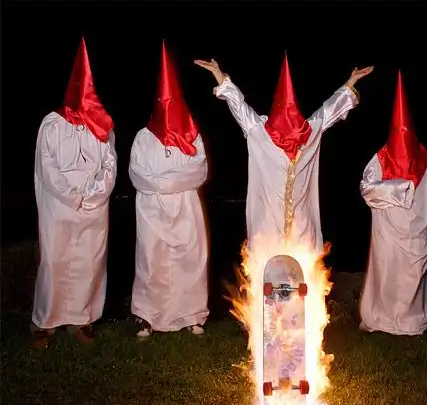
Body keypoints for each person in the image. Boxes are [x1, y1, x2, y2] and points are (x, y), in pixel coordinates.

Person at [194, 55, 373, 252]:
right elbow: (238, 105)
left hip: (301, 225)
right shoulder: (260, 132)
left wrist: (351, 82)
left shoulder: (308, 133)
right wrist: (219, 75)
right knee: (267, 261)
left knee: (302, 261)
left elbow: (331, 109)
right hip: (268, 224)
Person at [31, 38, 117, 348]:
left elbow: (109, 165)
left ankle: (82, 319)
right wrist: (73, 196)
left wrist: (93, 195)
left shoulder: (102, 126)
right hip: (60, 205)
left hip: (94, 205)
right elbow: (47, 166)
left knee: (89, 261)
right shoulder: (52, 125)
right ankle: (45, 321)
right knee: (54, 260)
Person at [129, 41, 209, 338]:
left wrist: (163, 182)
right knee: (153, 262)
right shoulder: (143, 138)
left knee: (189, 261)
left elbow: (199, 171)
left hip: (186, 209)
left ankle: (190, 315)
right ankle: (147, 316)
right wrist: (170, 181)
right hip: (152, 212)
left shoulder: (191, 135)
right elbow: (138, 175)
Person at [359, 71, 427, 336]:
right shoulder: (380, 159)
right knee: (388, 274)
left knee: (413, 276)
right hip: (387, 232)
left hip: (417, 235)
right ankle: (383, 319)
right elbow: (367, 188)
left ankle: (412, 320)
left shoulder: (425, 161)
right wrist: (400, 188)